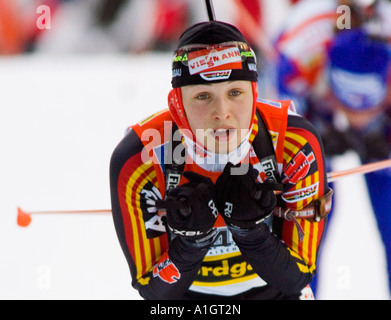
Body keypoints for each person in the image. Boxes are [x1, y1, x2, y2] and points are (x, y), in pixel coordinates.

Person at [110, 20, 331, 300]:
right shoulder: (140, 156)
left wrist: (251, 233)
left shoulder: (294, 142)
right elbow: (152, 289)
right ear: (177, 103)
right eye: (203, 96)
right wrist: (192, 243)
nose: (222, 112)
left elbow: (298, 276)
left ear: (254, 94)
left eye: (235, 93)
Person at [274, 0, 391, 297]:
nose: (358, 119)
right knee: (310, 212)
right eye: (349, 105)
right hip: (311, 102)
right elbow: (272, 123)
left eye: (367, 107)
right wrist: (317, 134)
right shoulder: (297, 62)